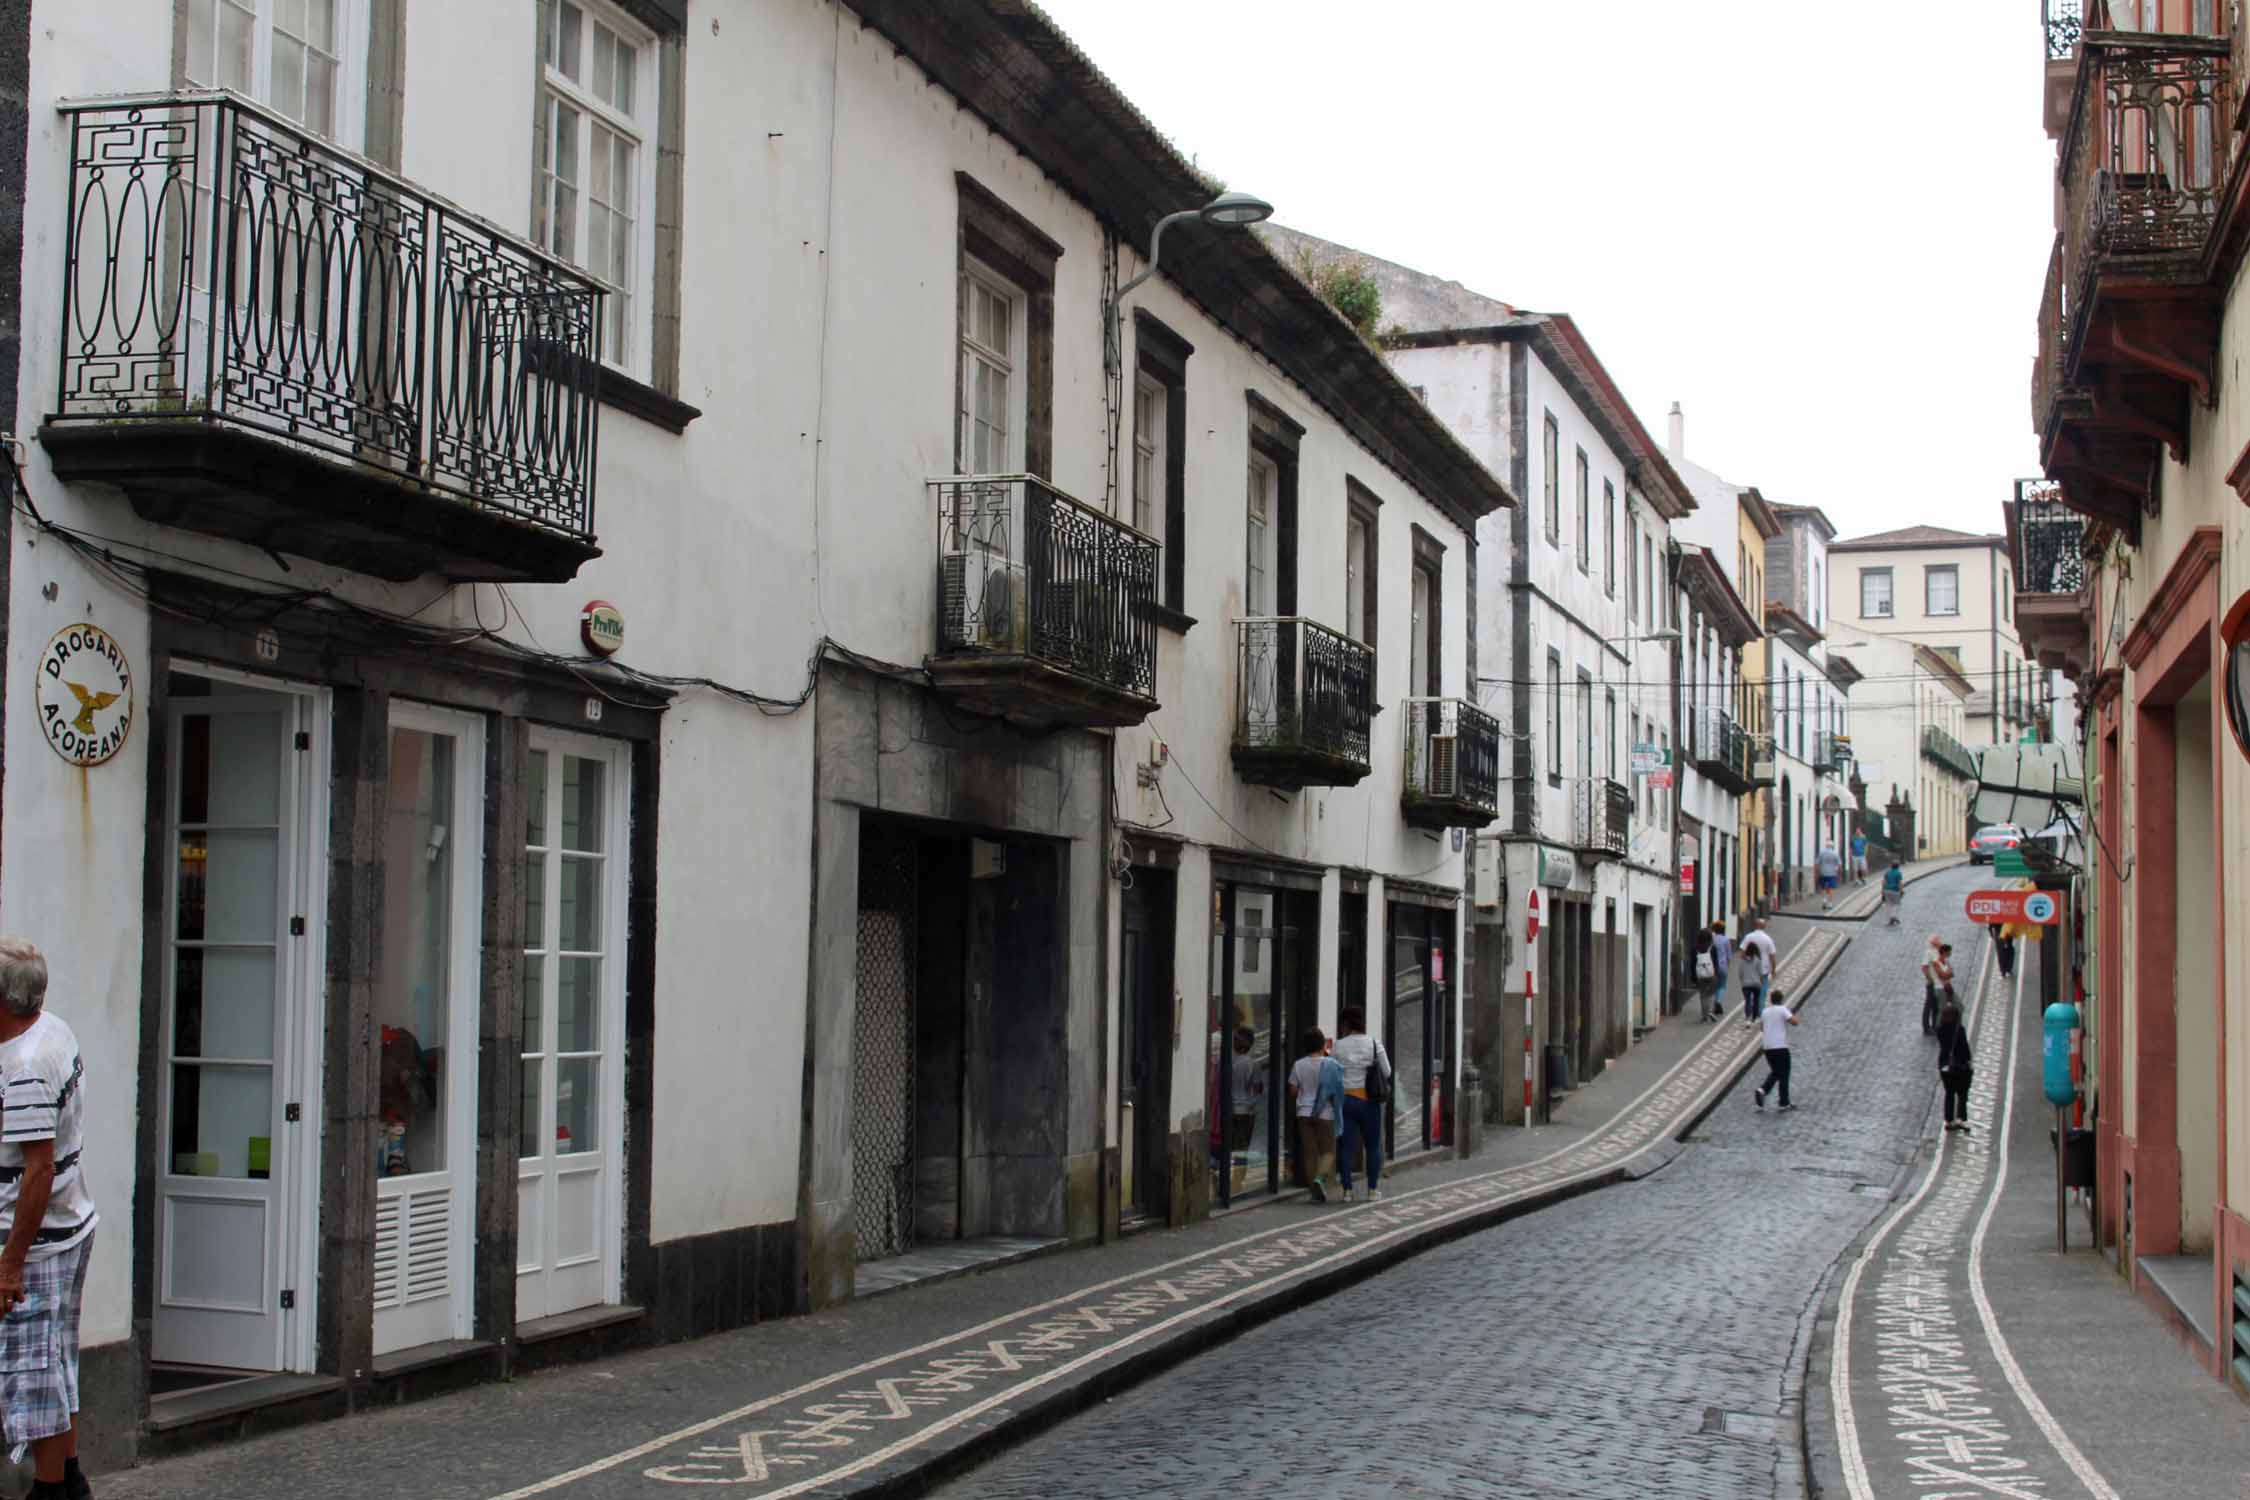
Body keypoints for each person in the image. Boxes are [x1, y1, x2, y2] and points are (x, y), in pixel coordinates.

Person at [0, 939, 98, 1500]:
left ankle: (52, 1489)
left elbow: (36, 1171)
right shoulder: (51, 1028)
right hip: (68, 1225)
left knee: (33, 1372)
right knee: (56, 1361)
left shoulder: (27, 1065)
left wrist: (10, 1264)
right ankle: (72, 1475)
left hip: (38, 1242)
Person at [1332, 1007, 1391, 1203]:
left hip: (1346, 1101)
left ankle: (1347, 1191)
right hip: (1369, 1102)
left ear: (1345, 1024)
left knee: (1345, 1146)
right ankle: (1372, 1190)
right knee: (1372, 1146)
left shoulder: (1338, 1046)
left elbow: (1333, 1073)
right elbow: (1387, 1071)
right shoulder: (1374, 1044)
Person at [1288, 1028, 1344, 1203]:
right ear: (1323, 1045)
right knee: (1328, 1151)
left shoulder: (1299, 1064)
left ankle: (1314, 1191)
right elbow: (1336, 1092)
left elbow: (1293, 1090)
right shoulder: (1330, 1065)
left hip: (1304, 1112)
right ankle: (1319, 1179)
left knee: (1309, 1153)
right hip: (1325, 1113)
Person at [1753, 987, 1799, 1111]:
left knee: (1776, 1071)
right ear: (1781, 999)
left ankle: (1762, 1090)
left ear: (1771, 1000)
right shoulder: (1783, 1010)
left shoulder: (1765, 1012)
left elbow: (1762, 1028)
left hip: (1767, 1047)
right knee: (1784, 1073)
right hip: (1780, 1046)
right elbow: (1795, 1022)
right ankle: (1783, 1101)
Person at [1934, 996, 1974, 1133]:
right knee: (1962, 1093)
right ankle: (1961, 1118)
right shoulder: (1959, 1030)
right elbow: (1964, 1047)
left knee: (1949, 1093)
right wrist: (1968, 1061)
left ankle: (1949, 1120)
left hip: (1945, 1065)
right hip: (1959, 1066)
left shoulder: (1940, 1029)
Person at [1738, 918, 1779, 1026]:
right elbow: (1772, 956)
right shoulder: (1768, 939)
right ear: (1764, 926)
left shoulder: (1748, 937)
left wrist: (1744, 965)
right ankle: (1759, 1015)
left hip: (1748, 970)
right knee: (1762, 993)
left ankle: (1749, 1013)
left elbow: (1741, 953)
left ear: (1754, 925)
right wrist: (1774, 969)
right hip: (1763, 969)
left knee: (1749, 996)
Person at [1922, 941, 1955, 1036]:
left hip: (1940, 985)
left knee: (1936, 1006)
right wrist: (1930, 979)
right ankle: (1927, 1028)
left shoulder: (1942, 959)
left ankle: (1935, 1026)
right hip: (1933, 985)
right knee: (1930, 1006)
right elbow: (1925, 968)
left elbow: (1951, 972)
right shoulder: (1931, 956)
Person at [1709, 920, 1734, 1023]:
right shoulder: (1726, 940)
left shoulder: (1712, 939)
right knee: (1722, 986)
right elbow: (1729, 956)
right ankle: (1718, 1001)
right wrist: (1728, 966)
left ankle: (1712, 1006)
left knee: (1713, 986)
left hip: (1712, 967)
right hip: (1723, 966)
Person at [1816, 843, 1842, 910]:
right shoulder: (1835, 854)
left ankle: (1824, 900)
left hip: (1823, 873)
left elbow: (1817, 863)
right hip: (1832, 874)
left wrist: (1817, 873)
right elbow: (1839, 864)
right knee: (1830, 889)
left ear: (1826, 846)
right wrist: (1839, 874)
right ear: (1832, 846)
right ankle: (1830, 904)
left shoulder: (1821, 853)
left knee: (1823, 888)